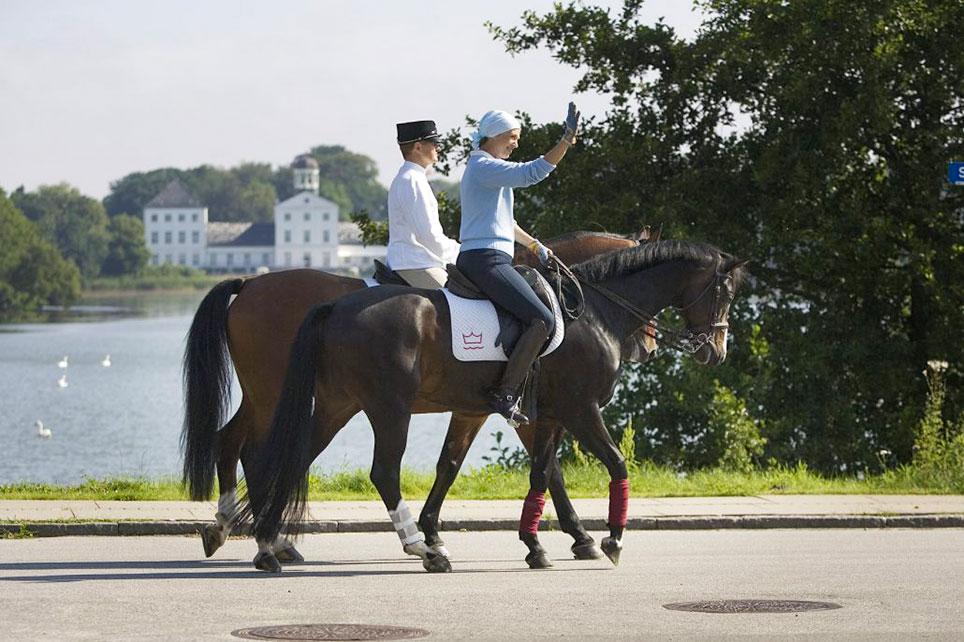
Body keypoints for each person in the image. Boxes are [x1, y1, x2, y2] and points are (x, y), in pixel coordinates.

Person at [458, 103, 580, 424]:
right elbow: (531, 173)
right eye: (512, 137)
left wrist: (535, 245)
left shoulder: (489, 169)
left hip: (493, 257)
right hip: (485, 260)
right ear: (494, 136)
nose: (516, 143)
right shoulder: (484, 165)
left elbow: (505, 223)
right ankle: (506, 394)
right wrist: (564, 142)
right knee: (542, 321)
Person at [386, 120, 460, 288]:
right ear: (418, 147)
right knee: (459, 302)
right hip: (416, 263)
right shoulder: (412, 180)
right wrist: (461, 252)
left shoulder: (410, 177)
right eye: (435, 143)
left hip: (417, 260)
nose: (438, 148)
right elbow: (428, 236)